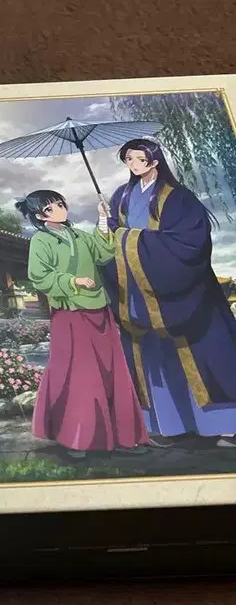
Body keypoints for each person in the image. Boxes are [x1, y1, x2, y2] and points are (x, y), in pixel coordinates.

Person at [103, 138, 236, 447]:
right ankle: (169, 425)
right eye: (128, 159)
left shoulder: (179, 197)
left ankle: (225, 425)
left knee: (203, 352)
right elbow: (111, 240)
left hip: (182, 291)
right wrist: (106, 225)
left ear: (154, 161)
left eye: (139, 159)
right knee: (152, 353)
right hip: (138, 293)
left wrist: (127, 238)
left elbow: (189, 243)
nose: (133, 164)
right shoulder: (121, 196)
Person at [16, 190, 149, 458]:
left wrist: (103, 218)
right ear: (40, 216)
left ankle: (121, 436)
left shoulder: (78, 235)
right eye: (51, 207)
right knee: (80, 373)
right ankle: (77, 438)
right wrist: (72, 281)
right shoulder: (41, 240)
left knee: (111, 370)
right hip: (70, 312)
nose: (60, 208)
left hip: (98, 307)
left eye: (60, 203)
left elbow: (103, 252)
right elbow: (39, 275)